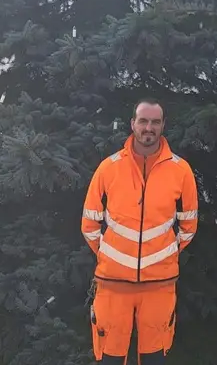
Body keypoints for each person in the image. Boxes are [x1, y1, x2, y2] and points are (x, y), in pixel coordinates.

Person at [80, 100, 199, 365]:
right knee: (110, 358)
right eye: (143, 121)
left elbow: (189, 226)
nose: (149, 127)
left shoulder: (181, 170)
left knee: (155, 358)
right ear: (132, 123)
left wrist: (162, 255)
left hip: (160, 285)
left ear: (163, 126)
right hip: (112, 285)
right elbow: (89, 224)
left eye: (155, 122)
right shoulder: (108, 168)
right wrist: (111, 255)